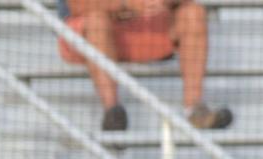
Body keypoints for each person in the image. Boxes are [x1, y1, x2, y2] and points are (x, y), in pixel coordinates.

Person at [63, 0, 233, 131]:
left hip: (148, 29)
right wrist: (126, 4)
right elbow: (76, 5)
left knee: (193, 13)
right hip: (94, 34)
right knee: (96, 21)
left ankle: (194, 109)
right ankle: (112, 112)